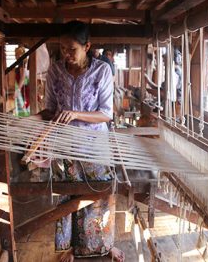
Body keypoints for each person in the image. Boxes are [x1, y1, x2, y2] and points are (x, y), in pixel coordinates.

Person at [39, 21, 124, 262]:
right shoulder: (55, 71)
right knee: (67, 196)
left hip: (94, 146)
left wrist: (76, 114)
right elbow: (50, 110)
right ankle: (68, 248)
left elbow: (106, 113)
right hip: (64, 146)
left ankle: (105, 246)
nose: (66, 54)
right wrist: (30, 119)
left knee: (100, 194)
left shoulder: (101, 71)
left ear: (87, 46)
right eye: (63, 48)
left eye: (72, 49)